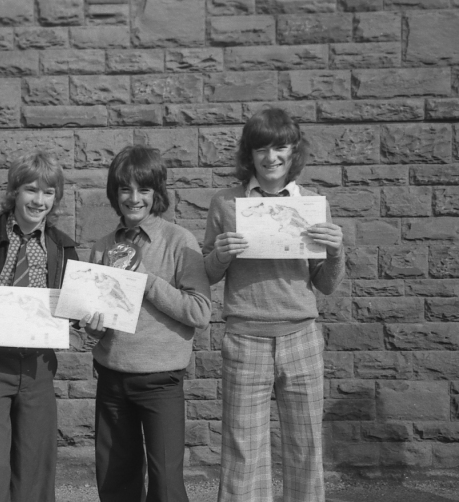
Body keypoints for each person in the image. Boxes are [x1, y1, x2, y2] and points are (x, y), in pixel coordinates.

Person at [202, 108, 345, 502]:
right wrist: (220, 255)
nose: (271, 157)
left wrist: (336, 251)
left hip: (301, 338)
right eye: (261, 148)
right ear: (249, 154)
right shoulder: (226, 202)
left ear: (293, 151)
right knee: (242, 452)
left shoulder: (311, 204)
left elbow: (325, 284)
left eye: (280, 147)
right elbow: (207, 274)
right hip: (245, 339)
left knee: (306, 448)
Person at [83, 146, 212, 502]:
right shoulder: (103, 247)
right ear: (115, 193)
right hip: (112, 378)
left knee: (166, 484)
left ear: (157, 193)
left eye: (143, 189)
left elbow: (200, 312)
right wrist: (92, 325)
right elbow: (97, 322)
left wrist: (146, 280)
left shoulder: (179, 241)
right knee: (115, 481)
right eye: (125, 189)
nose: (134, 198)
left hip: (161, 382)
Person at [0, 151, 78, 502]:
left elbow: (75, 308)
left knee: (34, 463)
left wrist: (86, 317)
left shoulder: (62, 246)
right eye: (31, 190)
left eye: (48, 193)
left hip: (38, 365)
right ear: (14, 191)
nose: (39, 201)